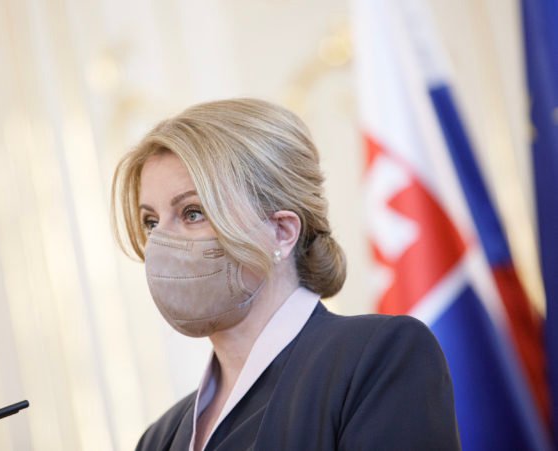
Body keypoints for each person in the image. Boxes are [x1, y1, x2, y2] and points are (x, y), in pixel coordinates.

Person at [111, 98, 461, 450]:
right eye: (151, 222)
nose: (160, 242)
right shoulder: (158, 439)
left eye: (192, 212)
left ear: (281, 231)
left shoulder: (376, 359)